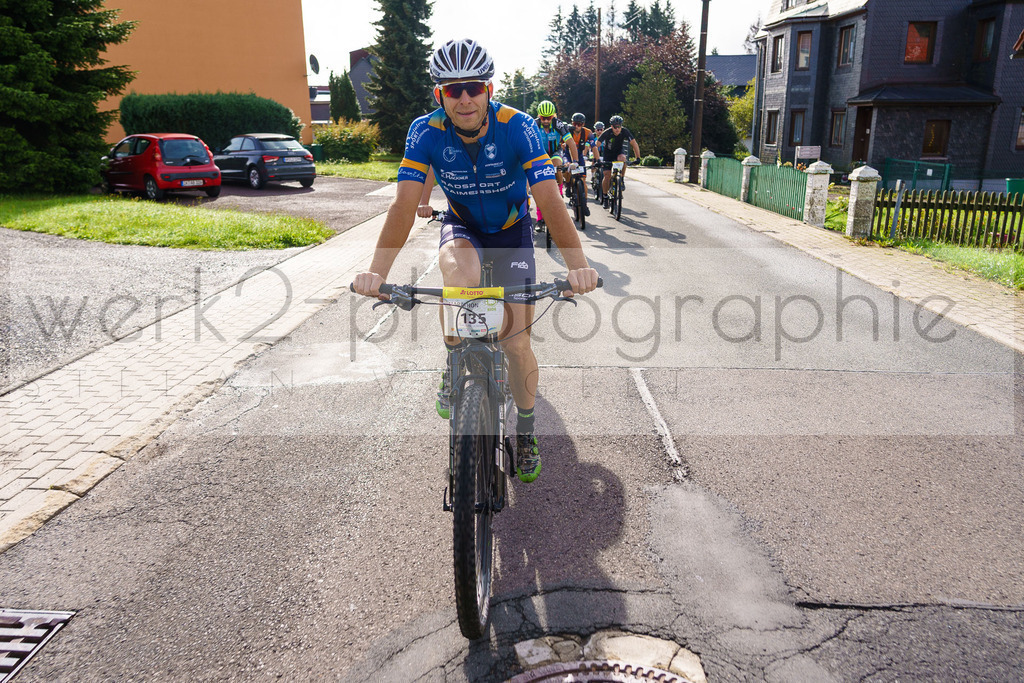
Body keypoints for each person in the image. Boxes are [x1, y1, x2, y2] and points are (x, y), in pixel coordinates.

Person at [351, 39, 599, 484]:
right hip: (462, 226)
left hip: (511, 231)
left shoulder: (519, 126)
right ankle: (453, 361)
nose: (463, 98)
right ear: (439, 96)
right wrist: (377, 273)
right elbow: (403, 207)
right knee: (458, 275)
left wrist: (577, 264)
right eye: (452, 90)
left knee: (516, 343)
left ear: (488, 88)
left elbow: (550, 200)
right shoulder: (425, 131)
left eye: (472, 88)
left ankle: (525, 432)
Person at [533, 100, 579, 227]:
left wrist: (575, 161)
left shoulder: (558, 124)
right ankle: (539, 219)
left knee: (557, 165)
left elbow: (570, 143)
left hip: (554, 151)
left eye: (549, 118)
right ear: (539, 116)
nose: (546, 121)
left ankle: (558, 192)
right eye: (543, 118)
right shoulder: (534, 124)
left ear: (553, 116)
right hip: (540, 153)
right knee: (539, 185)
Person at [597, 115, 641, 200]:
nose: (617, 129)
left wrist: (638, 158)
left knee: (623, 159)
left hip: (618, 152)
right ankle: (605, 195)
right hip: (608, 153)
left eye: (619, 126)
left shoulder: (625, 131)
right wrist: (597, 158)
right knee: (607, 176)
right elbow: (597, 144)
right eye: (615, 127)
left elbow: (634, 144)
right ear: (611, 126)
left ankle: (621, 178)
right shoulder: (607, 132)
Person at [568, 113, 592, 215]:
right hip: (568, 155)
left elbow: (594, 146)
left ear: (583, 124)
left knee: (582, 180)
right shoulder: (568, 130)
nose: (577, 126)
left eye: (579, 124)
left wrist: (597, 159)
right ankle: (569, 186)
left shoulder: (587, 132)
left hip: (580, 156)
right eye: (575, 123)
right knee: (567, 170)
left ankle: (584, 204)